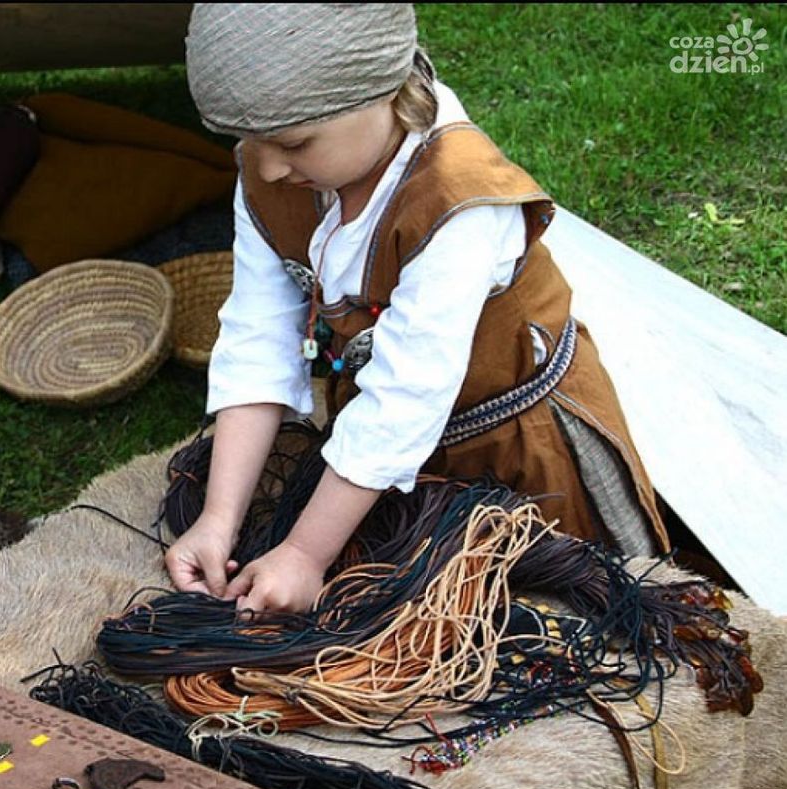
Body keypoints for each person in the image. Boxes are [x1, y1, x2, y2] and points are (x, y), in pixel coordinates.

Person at [166, 4, 669, 614]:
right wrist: (219, 521)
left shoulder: (460, 201)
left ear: (382, 93)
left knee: (560, 613)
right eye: (248, 141)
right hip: (384, 459)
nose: (266, 166)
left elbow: (407, 394)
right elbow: (258, 332)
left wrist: (304, 553)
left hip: (517, 449)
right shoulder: (273, 171)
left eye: (293, 141)